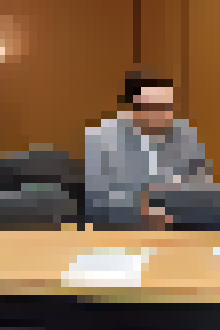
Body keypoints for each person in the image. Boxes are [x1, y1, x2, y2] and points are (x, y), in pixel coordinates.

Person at [82, 71, 212, 229]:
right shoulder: (101, 138)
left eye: (168, 108)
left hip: (182, 220)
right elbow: (97, 199)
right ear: (132, 110)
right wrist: (140, 210)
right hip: (122, 225)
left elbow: (203, 184)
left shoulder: (183, 133)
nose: (164, 116)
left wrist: (166, 192)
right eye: (154, 108)